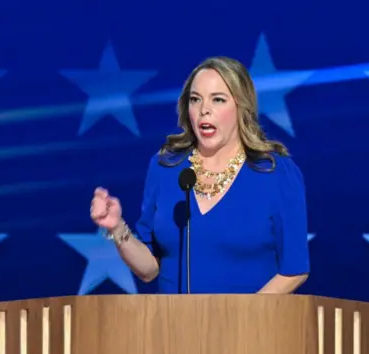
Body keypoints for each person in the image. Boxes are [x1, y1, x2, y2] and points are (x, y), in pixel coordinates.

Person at [90, 56, 310, 294]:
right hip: (174, 326)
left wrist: (240, 320)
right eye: (195, 100)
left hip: (248, 327)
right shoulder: (166, 168)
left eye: (218, 100)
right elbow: (149, 269)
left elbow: (294, 270)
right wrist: (116, 227)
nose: (204, 110)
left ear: (241, 107)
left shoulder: (274, 173)